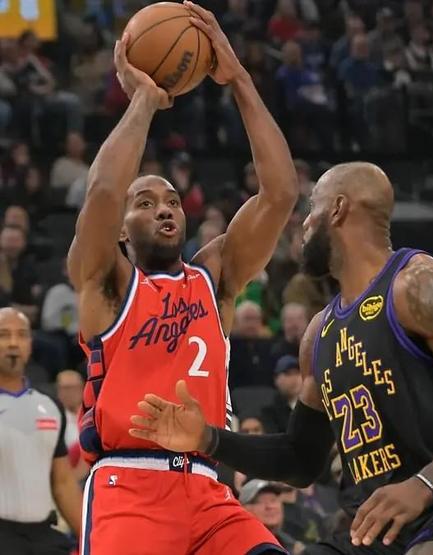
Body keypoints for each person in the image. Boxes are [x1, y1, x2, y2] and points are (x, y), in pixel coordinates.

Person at [130, 161, 433, 554]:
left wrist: (424, 484)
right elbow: (300, 459)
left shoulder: (418, 285)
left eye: (312, 208)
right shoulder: (318, 335)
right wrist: (208, 438)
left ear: (338, 209)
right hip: (378, 527)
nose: (304, 224)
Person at [67, 4, 299, 554]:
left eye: (171, 200)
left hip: (210, 490)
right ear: (121, 230)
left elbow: (280, 194)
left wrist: (238, 78)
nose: (165, 209)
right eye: (145, 203)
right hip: (131, 486)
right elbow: (103, 192)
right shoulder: (106, 283)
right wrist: (145, 101)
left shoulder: (213, 277)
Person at [0, 307, 82, 555]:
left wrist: (93, 538)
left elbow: (63, 483)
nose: (13, 343)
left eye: (21, 335)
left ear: (30, 345)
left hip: (44, 537)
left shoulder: (49, 407)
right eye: (4, 334)